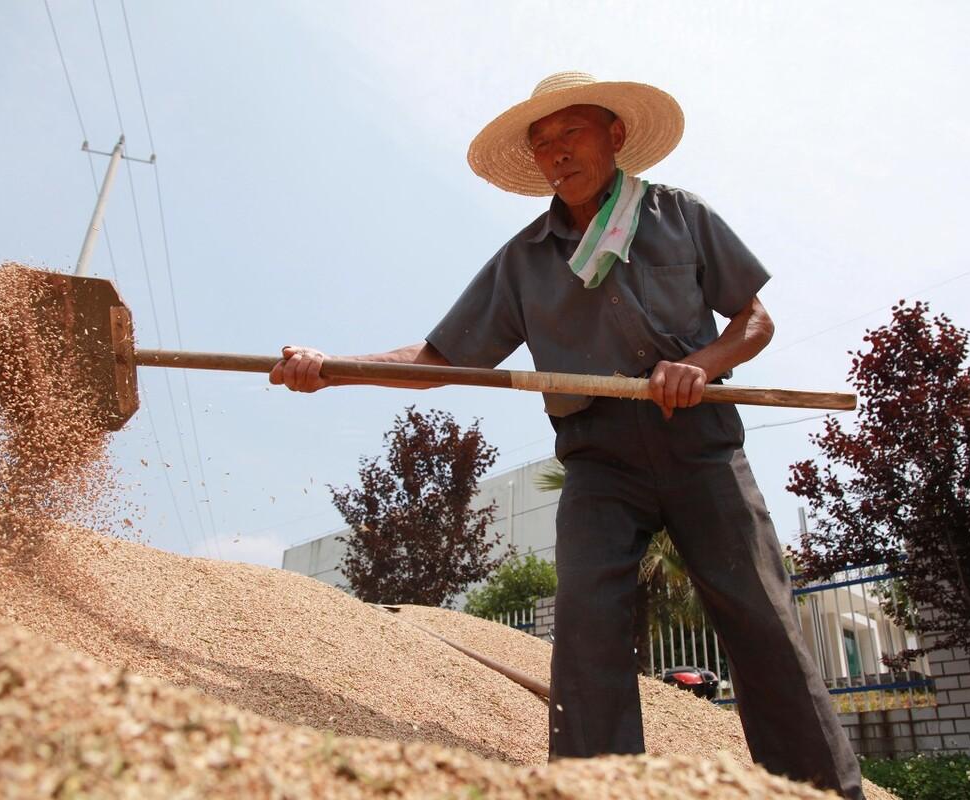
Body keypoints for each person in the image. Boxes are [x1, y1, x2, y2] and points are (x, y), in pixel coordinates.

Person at [270, 71, 864, 799]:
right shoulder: (524, 261)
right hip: (598, 460)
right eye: (542, 144)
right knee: (587, 627)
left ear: (615, 135)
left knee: (763, 620)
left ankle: (826, 792)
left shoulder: (679, 216)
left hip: (700, 443)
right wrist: (332, 368)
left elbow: (755, 319)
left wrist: (702, 364)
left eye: (570, 133)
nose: (556, 152)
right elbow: (437, 362)